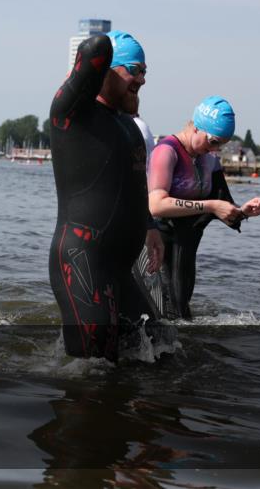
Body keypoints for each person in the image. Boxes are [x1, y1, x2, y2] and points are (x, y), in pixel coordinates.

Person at [48, 31, 164, 361]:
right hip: (84, 265)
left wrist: (150, 225)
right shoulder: (73, 116)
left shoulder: (129, 128)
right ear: (106, 71)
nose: (142, 79)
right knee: (93, 375)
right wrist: (110, 49)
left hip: (119, 270)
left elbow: (135, 188)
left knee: (159, 342)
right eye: (135, 69)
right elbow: (94, 48)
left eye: (145, 71)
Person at [146, 96, 260, 319]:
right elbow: (155, 205)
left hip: (187, 248)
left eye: (222, 144)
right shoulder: (166, 152)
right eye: (213, 141)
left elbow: (224, 206)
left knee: (181, 312)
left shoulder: (210, 160)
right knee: (163, 314)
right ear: (195, 127)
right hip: (158, 245)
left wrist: (243, 211)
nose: (216, 149)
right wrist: (210, 205)